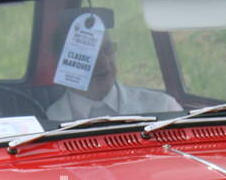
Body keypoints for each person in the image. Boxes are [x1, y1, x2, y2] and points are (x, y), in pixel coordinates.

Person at [44, 10, 182, 122]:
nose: (104, 63)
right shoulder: (47, 121)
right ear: (62, 61)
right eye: (90, 54)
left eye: (108, 49)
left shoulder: (163, 107)